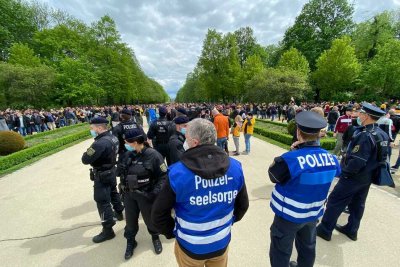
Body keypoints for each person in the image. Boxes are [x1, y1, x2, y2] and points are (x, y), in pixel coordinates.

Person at [151, 118, 249, 267]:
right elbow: (243, 206)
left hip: (190, 247)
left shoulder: (177, 173)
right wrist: (228, 222)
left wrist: (172, 232)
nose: (185, 142)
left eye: (187, 138)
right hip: (220, 243)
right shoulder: (235, 167)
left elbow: (158, 215)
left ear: (195, 142)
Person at [267, 111, 341, 267]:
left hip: (288, 216)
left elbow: (273, 176)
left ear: (298, 132)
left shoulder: (290, 159)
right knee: (308, 248)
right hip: (313, 214)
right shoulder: (332, 159)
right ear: (319, 134)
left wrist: (293, 152)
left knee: (281, 251)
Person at [317, 103, 389, 242]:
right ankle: (352, 229)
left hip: (353, 176)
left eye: (361, 113)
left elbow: (357, 161)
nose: (359, 115)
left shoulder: (365, 135)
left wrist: (344, 173)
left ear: (367, 116)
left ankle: (325, 230)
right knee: (358, 204)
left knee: (335, 200)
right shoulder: (382, 133)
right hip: (367, 177)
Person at [119, 128, 167, 260]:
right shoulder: (127, 155)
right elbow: (120, 173)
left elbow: (164, 177)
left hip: (146, 195)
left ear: (135, 142)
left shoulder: (153, 155)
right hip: (129, 195)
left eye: (127, 142)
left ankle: (155, 237)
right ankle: (131, 241)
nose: (125, 144)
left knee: (150, 220)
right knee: (130, 221)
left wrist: (154, 194)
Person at [81, 117, 124, 243]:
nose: (91, 130)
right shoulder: (112, 137)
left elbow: (85, 159)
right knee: (113, 192)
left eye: (92, 128)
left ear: (99, 128)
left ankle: (108, 230)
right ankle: (119, 212)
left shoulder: (99, 143)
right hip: (111, 170)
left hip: (102, 174)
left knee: (102, 201)